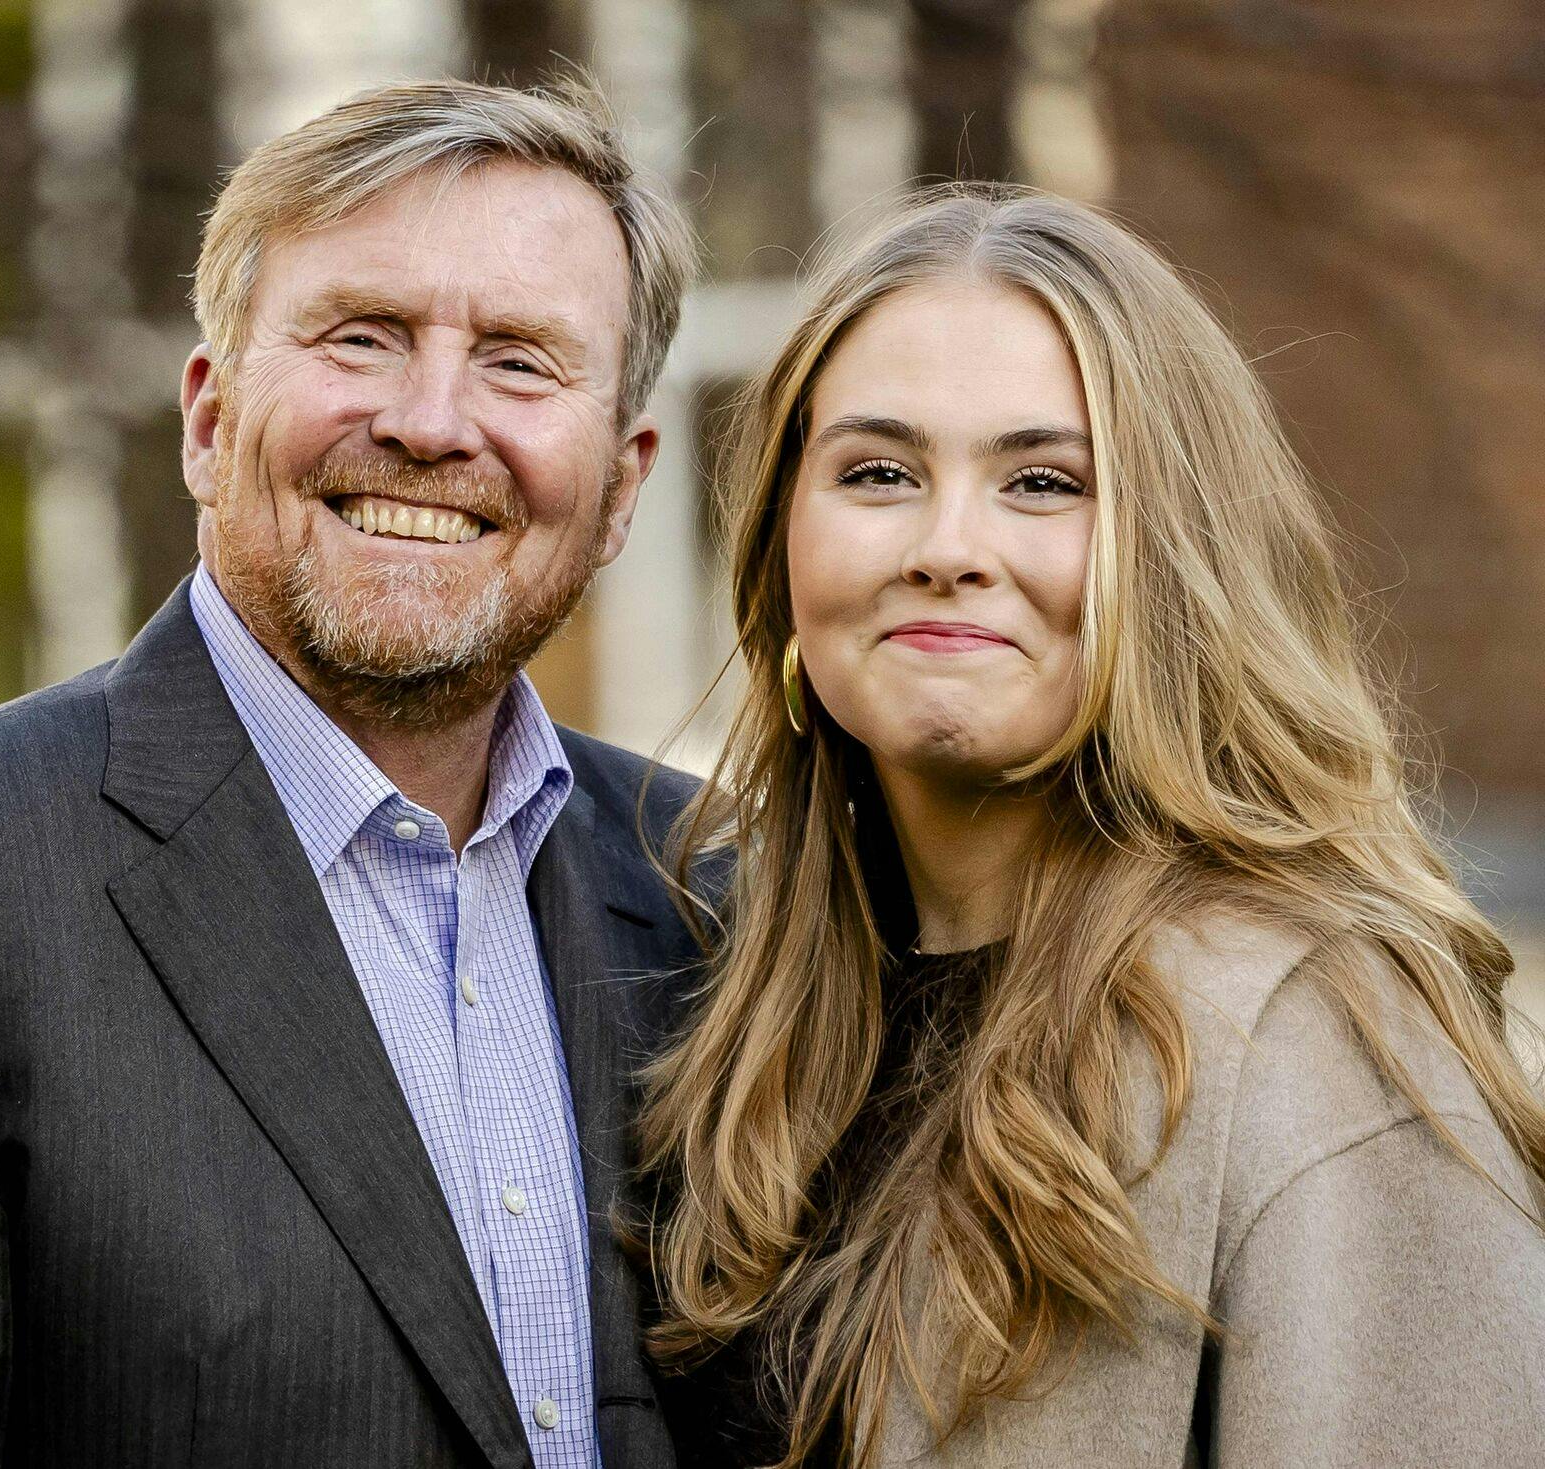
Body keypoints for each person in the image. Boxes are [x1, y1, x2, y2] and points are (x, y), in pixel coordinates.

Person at [0, 76, 701, 1468]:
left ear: (624, 484)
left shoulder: (712, 892)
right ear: (209, 419)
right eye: (362, 336)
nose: (434, 421)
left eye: (520, 359)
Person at [633, 184, 1545, 1467]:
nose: (949, 546)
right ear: (784, 542)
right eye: (879, 472)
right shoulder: (732, 1016)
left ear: (1177, 553)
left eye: (1045, 481)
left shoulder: (1314, 1040)